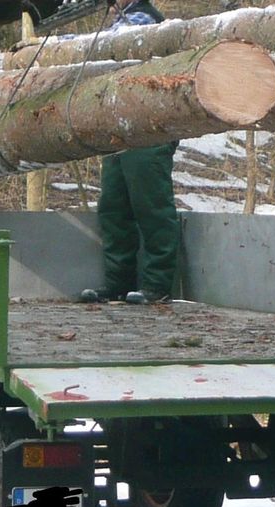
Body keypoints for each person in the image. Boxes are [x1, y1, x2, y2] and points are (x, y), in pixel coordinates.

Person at [80, 0, 180, 306]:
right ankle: (118, 283)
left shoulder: (142, 18)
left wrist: (67, 46)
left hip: (150, 128)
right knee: (113, 206)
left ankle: (156, 285)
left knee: (150, 206)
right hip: (122, 127)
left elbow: (109, 46)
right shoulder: (120, 20)